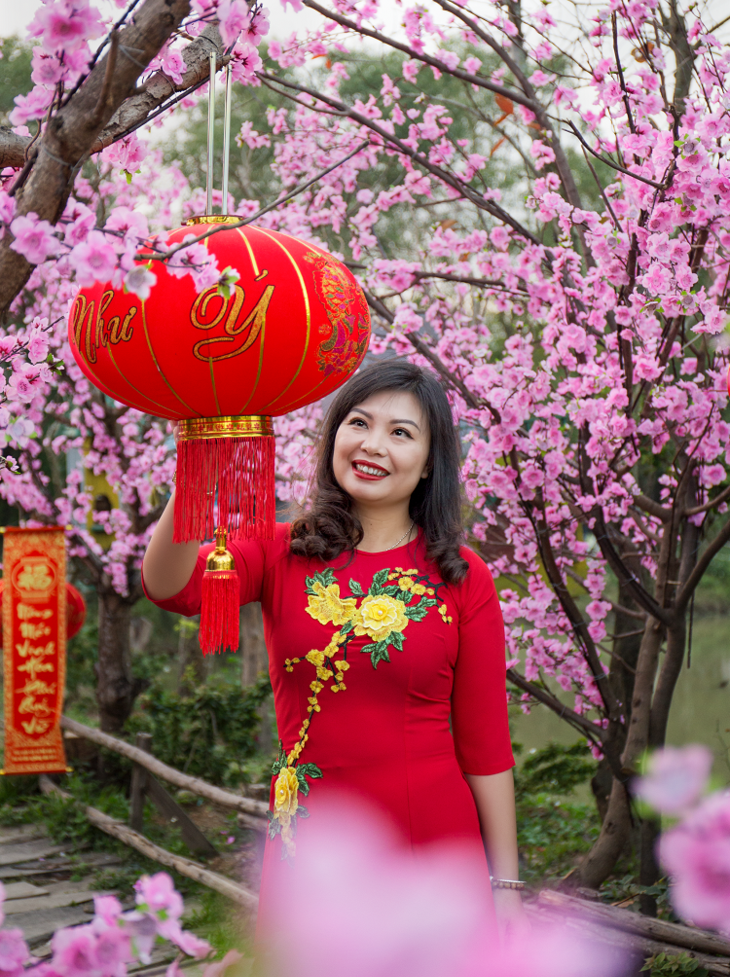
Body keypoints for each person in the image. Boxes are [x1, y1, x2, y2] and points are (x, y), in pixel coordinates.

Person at [142, 358, 523, 933]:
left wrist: (507, 890)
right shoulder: (281, 550)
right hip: (311, 850)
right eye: (359, 423)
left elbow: (486, 750)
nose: (373, 445)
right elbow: (171, 587)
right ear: (334, 435)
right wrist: (194, 473)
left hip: (432, 853)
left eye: (401, 433)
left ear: (429, 464)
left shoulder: (462, 578)